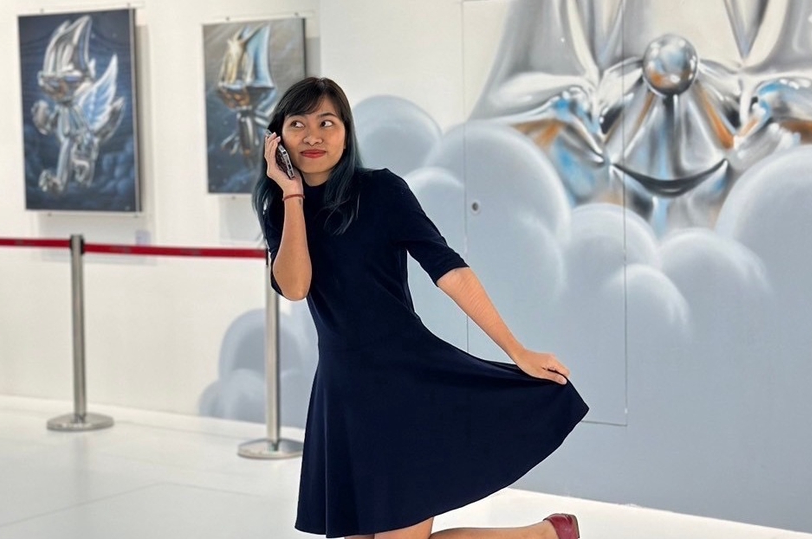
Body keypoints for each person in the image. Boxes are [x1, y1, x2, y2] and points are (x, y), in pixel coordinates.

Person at [252, 77, 589, 539]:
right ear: (278, 139)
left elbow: (448, 269)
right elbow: (295, 287)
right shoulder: (279, 210)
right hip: (342, 394)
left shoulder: (382, 191)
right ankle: (547, 535)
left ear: (346, 133)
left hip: (405, 382)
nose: (313, 136)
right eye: (298, 124)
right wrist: (291, 194)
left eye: (326, 123)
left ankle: (543, 535)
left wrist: (517, 350)